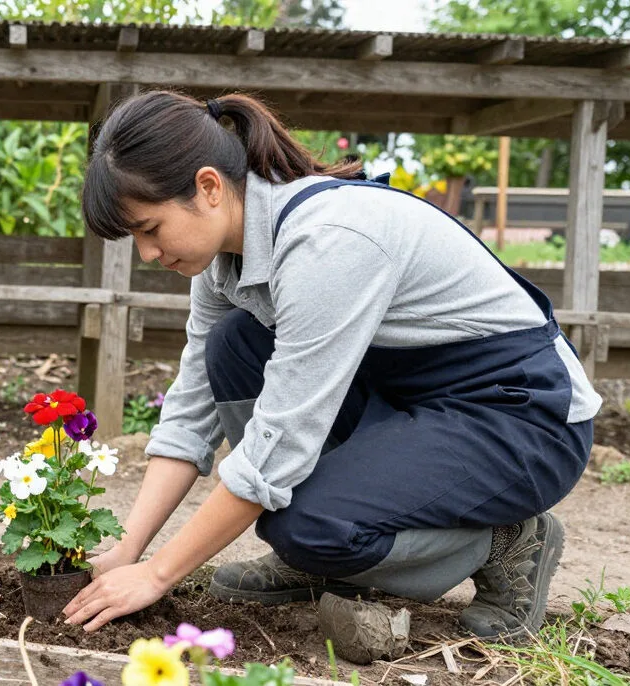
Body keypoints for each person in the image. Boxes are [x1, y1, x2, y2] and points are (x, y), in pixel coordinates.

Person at [61, 90, 601, 640]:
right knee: (234, 344)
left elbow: (278, 447)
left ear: (208, 187)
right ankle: (330, 550)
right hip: (414, 399)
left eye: (150, 229)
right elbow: (190, 409)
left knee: (307, 525)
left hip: (521, 418)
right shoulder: (223, 263)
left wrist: (156, 575)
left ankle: (506, 540)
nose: (148, 255)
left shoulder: (328, 242)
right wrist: (127, 549)